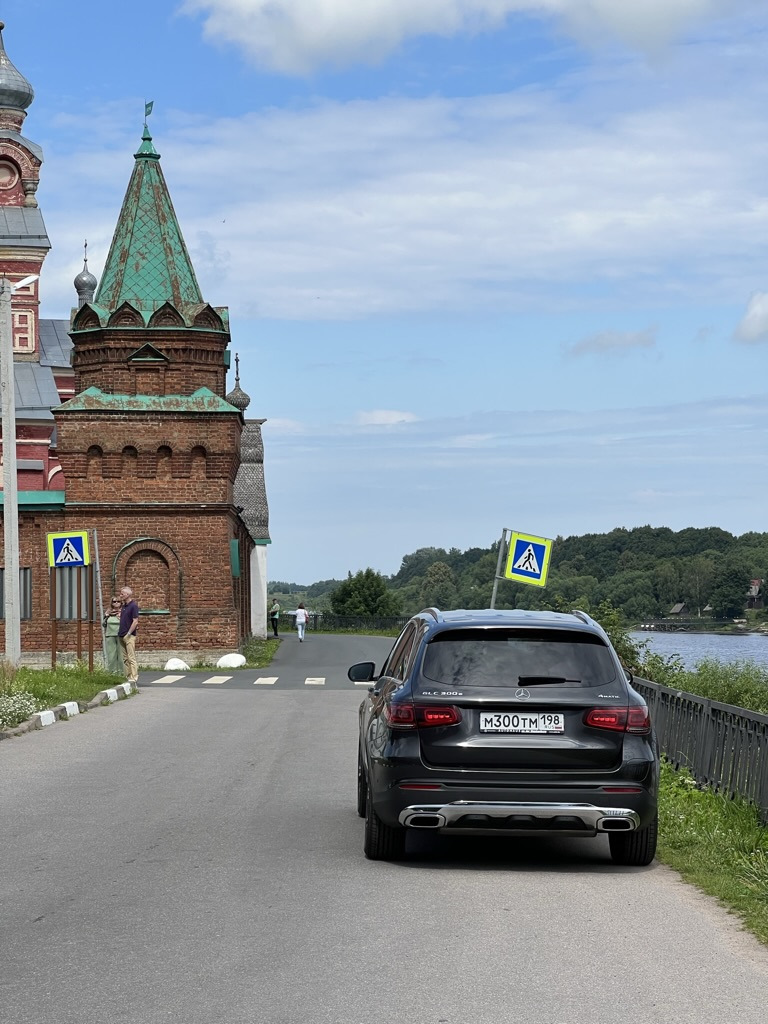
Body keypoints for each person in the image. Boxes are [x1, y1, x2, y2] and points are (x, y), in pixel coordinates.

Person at [119, 586, 140, 685]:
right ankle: (128, 677)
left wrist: (128, 633)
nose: (120, 595)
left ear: (127, 595)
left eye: (122, 594)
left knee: (131, 657)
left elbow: (135, 621)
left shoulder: (133, 606)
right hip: (121, 635)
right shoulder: (123, 606)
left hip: (129, 636)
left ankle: (134, 677)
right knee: (125, 658)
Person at [102, 597, 123, 674]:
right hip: (110, 634)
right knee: (111, 655)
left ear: (121, 603)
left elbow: (127, 623)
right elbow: (104, 624)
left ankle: (121, 673)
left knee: (121, 655)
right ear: (112, 603)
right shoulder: (109, 612)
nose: (116, 603)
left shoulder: (123, 611)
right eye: (114, 601)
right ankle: (112, 672)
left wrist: (120, 617)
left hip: (120, 634)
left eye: (118, 601)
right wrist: (107, 615)